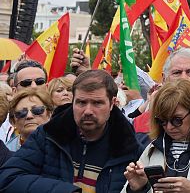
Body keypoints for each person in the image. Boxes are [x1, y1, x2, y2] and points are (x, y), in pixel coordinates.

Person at [0, 70, 141, 193]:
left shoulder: (131, 148)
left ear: (112, 103)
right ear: (72, 101)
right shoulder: (48, 135)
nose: (88, 111)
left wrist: (140, 189)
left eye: (97, 103)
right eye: (81, 102)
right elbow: (8, 178)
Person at [1, 60, 47, 146]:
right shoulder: (2, 122)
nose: (34, 86)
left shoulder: (64, 123)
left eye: (39, 82)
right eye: (26, 83)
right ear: (14, 91)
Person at [7, 87, 52, 151]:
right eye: (21, 113)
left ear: (49, 114)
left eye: (37, 110)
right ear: (13, 121)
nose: (29, 116)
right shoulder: (6, 153)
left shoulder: (64, 145)